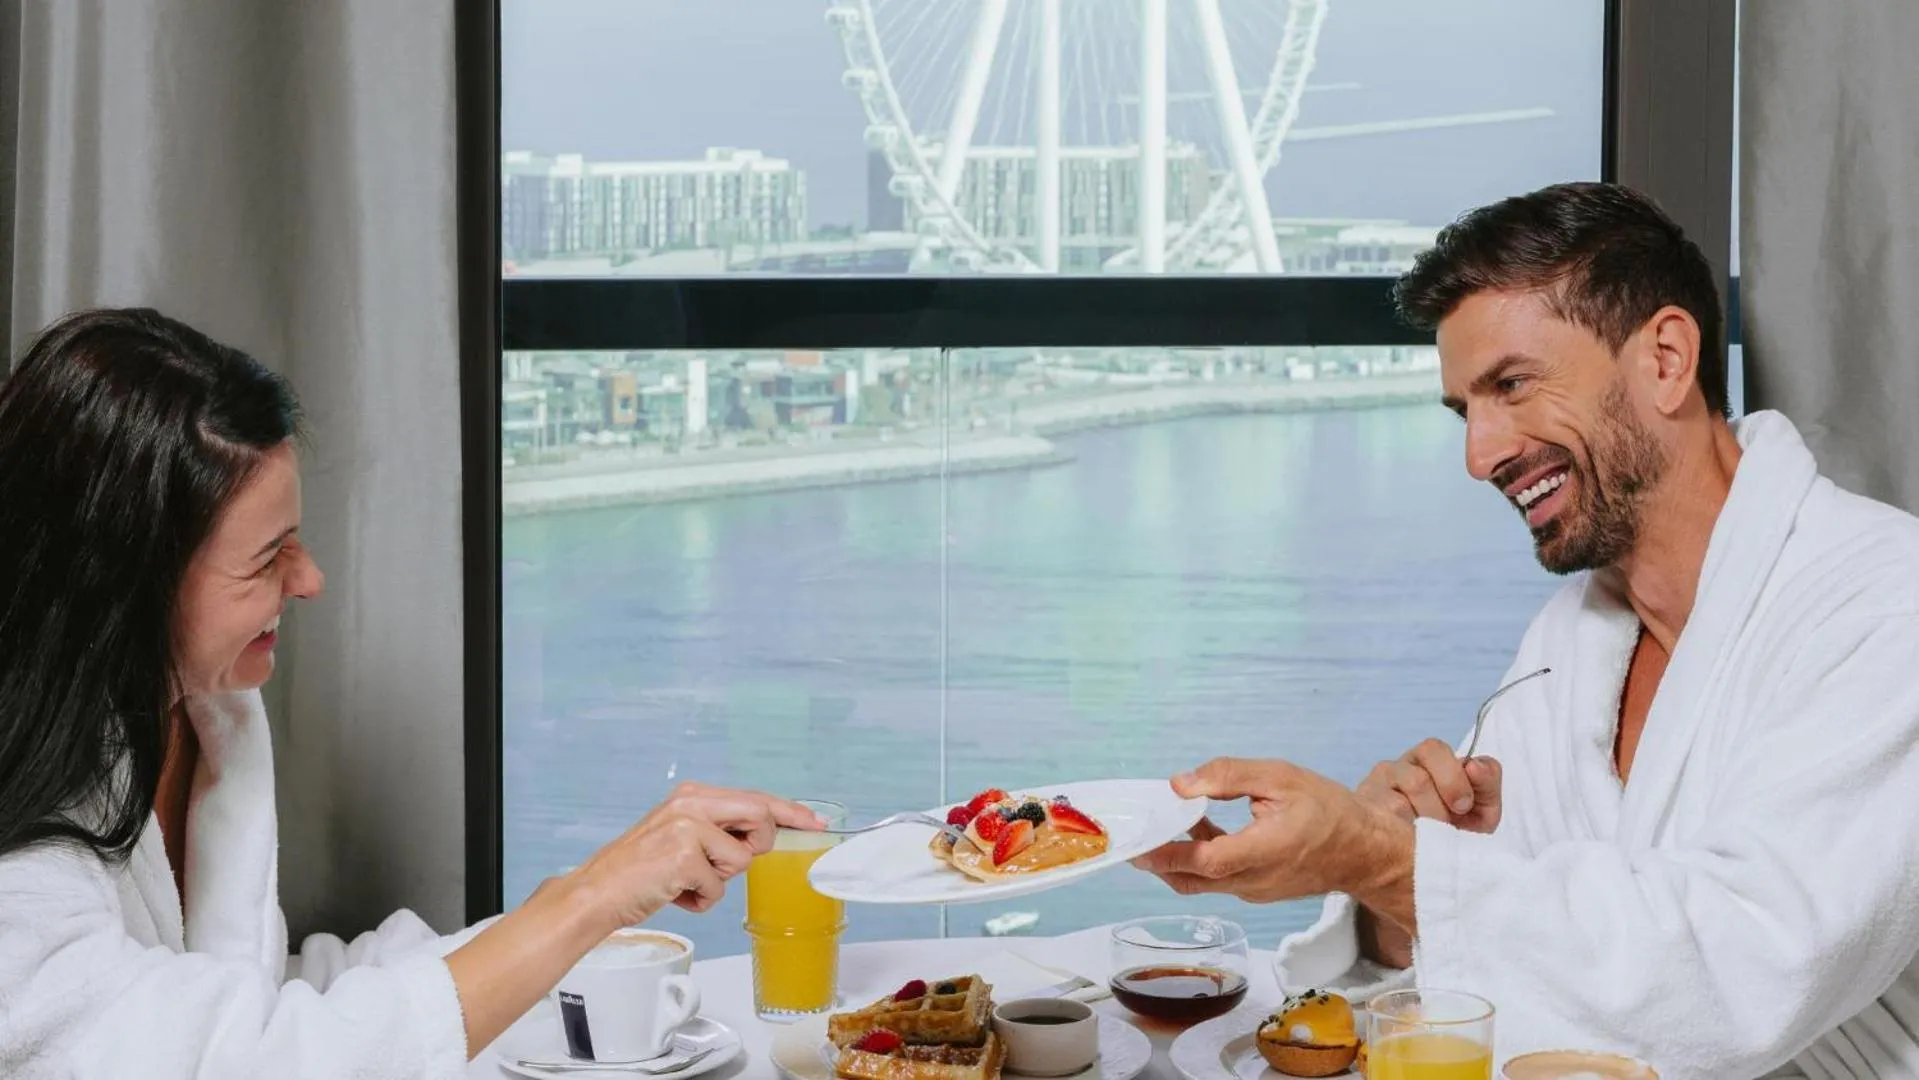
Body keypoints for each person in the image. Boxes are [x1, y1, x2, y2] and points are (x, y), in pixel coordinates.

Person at [1134, 182, 1919, 1079]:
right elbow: (1500, 951)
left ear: (1664, 359)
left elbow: (1747, 968)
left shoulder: (1885, 604)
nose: (1480, 454)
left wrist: (1379, 858)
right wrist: (1391, 892)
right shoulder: (1571, 644)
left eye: (1511, 386)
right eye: (1464, 410)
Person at [0, 308, 824, 1079]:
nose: (312, 580)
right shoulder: (19, 863)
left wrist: (592, 901)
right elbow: (246, 1057)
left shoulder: (205, 714)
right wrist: (587, 900)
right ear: (121, 579)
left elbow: (248, 989)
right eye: (267, 559)